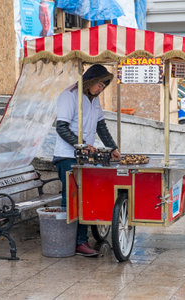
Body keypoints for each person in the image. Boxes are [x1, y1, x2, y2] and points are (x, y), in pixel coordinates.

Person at [53, 64, 121, 256]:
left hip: (84, 157)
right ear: (90, 80)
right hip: (67, 157)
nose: (101, 89)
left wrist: (113, 148)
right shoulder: (69, 96)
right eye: (99, 84)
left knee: (85, 197)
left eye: (104, 86)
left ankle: (79, 240)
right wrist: (82, 144)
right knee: (74, 198)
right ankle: (75, 242)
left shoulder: (93, 100)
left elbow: (101, 126)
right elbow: (62, 127)